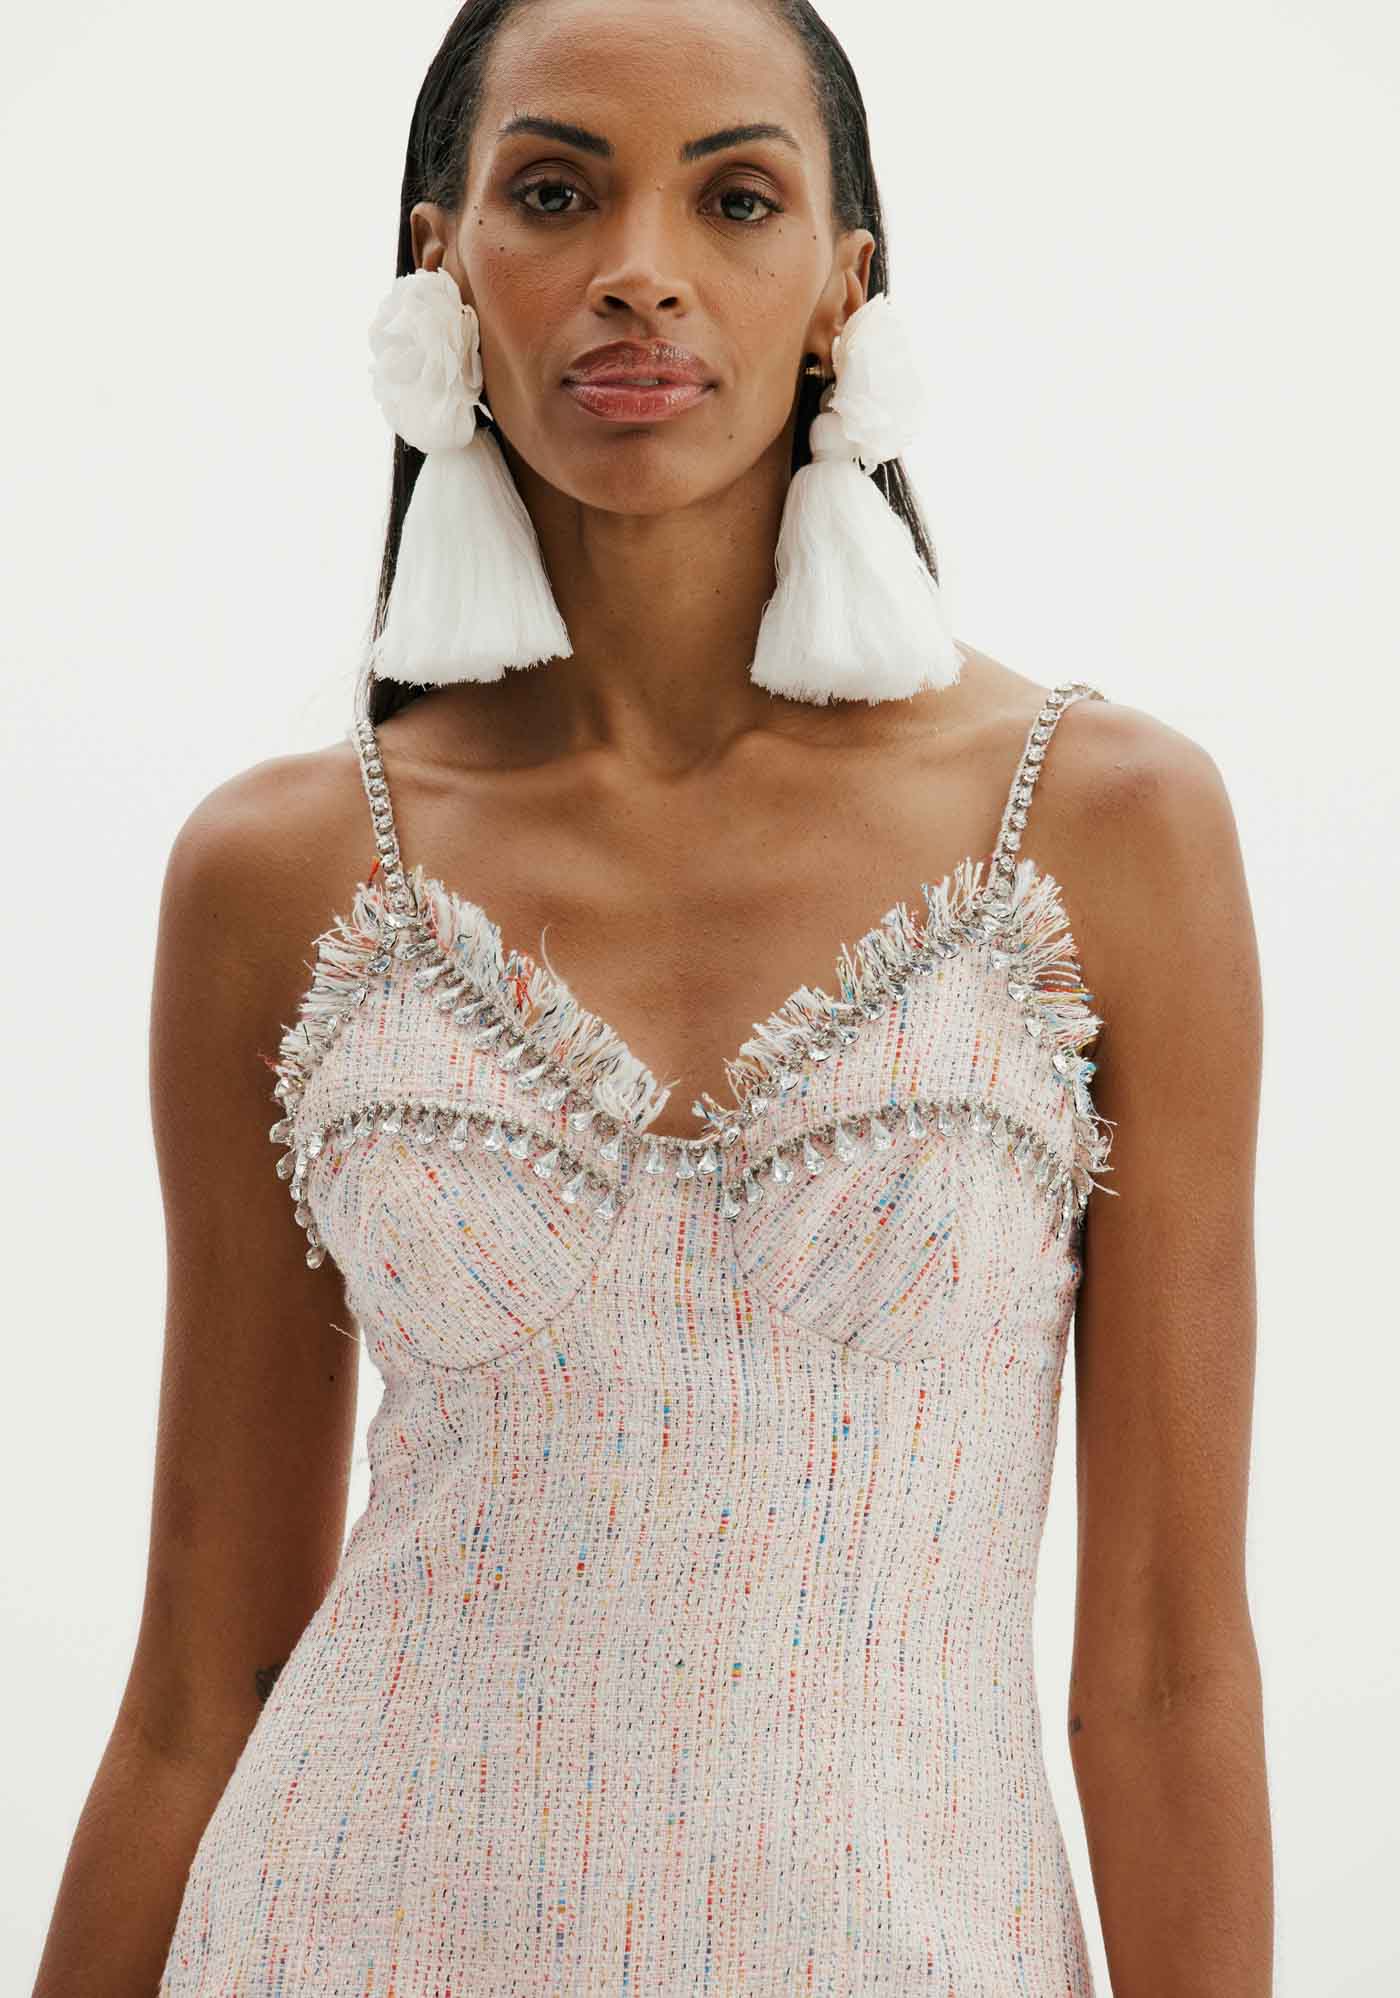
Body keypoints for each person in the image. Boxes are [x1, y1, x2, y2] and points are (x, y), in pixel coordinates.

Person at [33, 2, 1271, 1993]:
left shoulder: (1104, 828)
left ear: (844, 286)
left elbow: (1163, 1668)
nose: (639, 267)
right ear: (442, 264)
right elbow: (204, 1684)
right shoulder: (280, 873)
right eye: (553, 192)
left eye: (735, 198)